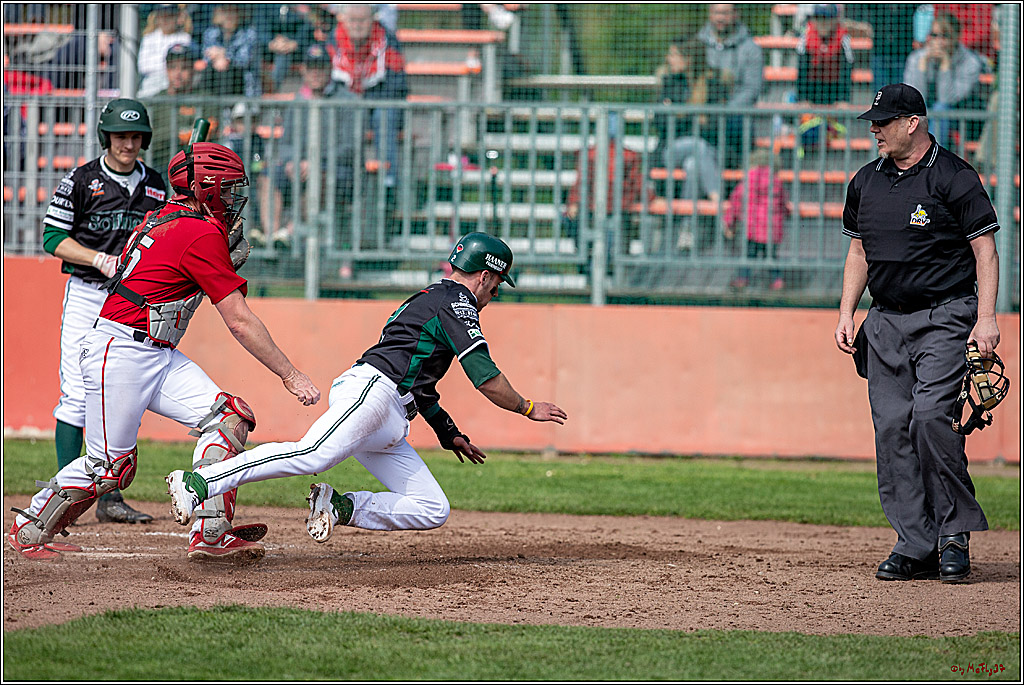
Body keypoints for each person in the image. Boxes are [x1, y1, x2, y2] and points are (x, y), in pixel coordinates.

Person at [9, 143, 322, 562]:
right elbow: (240, 321)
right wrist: (290, 374)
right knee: (110, 468)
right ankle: (29, 527)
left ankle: (211, 532)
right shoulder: (197, 230)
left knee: (229, 419)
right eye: (225, 190)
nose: (231, 200)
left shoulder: (163, 218)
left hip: (154, 352)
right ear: (203, 189)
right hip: (118, 351)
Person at [166, 232, 567, 544]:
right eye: (496, 287)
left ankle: (339, 506)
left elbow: (423, 389)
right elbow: (486, 377)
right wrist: (528, 407)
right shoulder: (456, 302)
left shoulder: (436, 298)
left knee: (432, 507)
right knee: (311, 454)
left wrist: (449, 434)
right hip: (374, 393)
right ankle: (201, 482)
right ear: (485, 276)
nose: (494, 295)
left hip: (390, 414)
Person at [835, 83, 1000, 583]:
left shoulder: (955, 177)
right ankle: (916, 542)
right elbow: (859, 252)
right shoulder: (865, 181)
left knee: (930, 420)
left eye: (883, 122)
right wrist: (847, 312)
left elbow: (985, 253)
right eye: (872, 122)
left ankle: (953, 535)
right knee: (891, 430)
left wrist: (987, 318)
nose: (874, 129)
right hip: (884, 321)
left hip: (945, 316)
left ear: (913, 123)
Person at [39, 99, 167, 528]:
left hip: (132, 302)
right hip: (88, 295)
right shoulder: (80, 180)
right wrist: (98, 259)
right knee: (76, 395)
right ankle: (63, 497)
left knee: (118, 396)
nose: (127, 144)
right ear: (106, 137)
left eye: (134, 136)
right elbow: (53, 237)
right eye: (120, 136)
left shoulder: (156, 185)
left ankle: (110, 499)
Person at [264, 43, 358, 248]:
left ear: (329, 69)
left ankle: (289, 230)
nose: (315, 73)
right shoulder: (297, 100)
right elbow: (286, 142)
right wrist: (293, 162)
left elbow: (349, 147)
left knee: (318, 178)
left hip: (335, 170)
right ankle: (271, 237)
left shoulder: (347, 100)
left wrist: (314, 162)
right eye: (311, 67)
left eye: (320, 67)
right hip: (299, 166)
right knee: (269, 174)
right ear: (303, 70)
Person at [328, 3, 408, 190]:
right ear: (344, 20)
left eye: (362, 20)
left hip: (379, 101)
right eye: (353, 20)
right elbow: (327, 79)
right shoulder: (333, 39)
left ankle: (388, 181)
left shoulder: (387, 39)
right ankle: (343, 177)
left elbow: (398, 82)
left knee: (385, 115)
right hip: (345, 102)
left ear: (373, 20)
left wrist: (368, 98)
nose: (357, 25)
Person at [564, 112, 655, 258]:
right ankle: (606, 265)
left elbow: (581, 182)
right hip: (616, 209)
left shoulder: (590, 154)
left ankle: (589, 263)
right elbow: (638, 183)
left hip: (596, 209)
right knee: (614, 249)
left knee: (578, 229)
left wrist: (574, 202)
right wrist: (650, 198)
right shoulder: (627, 155)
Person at [653, 36, 723, 208]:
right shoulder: (671, 83)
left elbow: (715, 125)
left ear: (689, 59)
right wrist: (694, 119)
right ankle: (717, 198)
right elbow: (660, 122)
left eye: (674, 54)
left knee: (693, 166)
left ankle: (686, 229)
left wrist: (680, 115)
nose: (669, 59)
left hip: (707, 149)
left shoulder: (712, 84)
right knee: (699, 146)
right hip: (672, 148)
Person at [903, 13, 987, 148]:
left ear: (956, 37)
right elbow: (914, 98)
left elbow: (947, 99)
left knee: (940, 108)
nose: (938, 41)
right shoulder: (917, 58)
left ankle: (932, 156)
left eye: (945, 36)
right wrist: (923, 66)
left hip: (960, 115)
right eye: (934, 35)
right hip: (926, 111)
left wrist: (945, 65)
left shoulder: (970, 62)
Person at [695, 4, 763, 167]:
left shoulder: (751, 49)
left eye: (725, 13)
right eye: (716, 12)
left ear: (735, 14)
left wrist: (724, 110)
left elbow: (752, 88)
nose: (720, 18)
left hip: (734, 119)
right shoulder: (697, 46)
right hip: (702, 116)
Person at [723, 148, 790, 291]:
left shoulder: (748, 180)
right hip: (771, 230)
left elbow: (735, 201)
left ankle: (743, 279)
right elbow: (783, 202)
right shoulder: (776, 180)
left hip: (752, 228)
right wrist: (786, 213)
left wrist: (729, 222)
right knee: (771, 256)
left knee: (748, 255)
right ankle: (777, 280)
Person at [147, 42, 211, 187]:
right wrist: (181, 135)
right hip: (161, 165)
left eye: (184, 68)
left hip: (195, 168)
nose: (177, 73)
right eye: (172, 68)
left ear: (193, 70)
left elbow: (210, 131)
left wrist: (180, 136)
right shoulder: (155, 101)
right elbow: (149, 140)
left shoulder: (204, 98)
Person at [794, 4, 854, 153]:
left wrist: (843, 99)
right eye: (819, 18)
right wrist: (803, 99)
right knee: (806, 121)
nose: (823, 23)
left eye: (827, 18)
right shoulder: (806, 35)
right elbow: (801, 69)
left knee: (836, 125)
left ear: (835, 20)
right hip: (812, 88)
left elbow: (847, 69)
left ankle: (830, 128)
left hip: (834, 89)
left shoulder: (843, 37)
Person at [844, 4, 918, 95]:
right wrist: (861, 24)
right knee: (880, 93)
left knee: (901, 93)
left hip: (902, 53)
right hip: (880, 51)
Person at [200, 4, 263, 98]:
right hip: (216, 84)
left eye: (233, 11)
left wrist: (225, 55)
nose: (229, 16)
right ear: (218, 13)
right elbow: (206, 58)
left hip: (245, 90)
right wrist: (222, 59)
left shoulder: (250, 33)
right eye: (225, 11)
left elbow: (244, 61)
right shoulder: (210, 33)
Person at [136, 4, 192, 98]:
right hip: (151, 85)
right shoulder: (149, 38)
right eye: (162, 16)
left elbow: (183, 65)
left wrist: (160, 62)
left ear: (176, 17)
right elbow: (143, 66)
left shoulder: (184, 38)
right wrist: (167, 64)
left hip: (174, 86)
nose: (165, 20)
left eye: (169, 16)